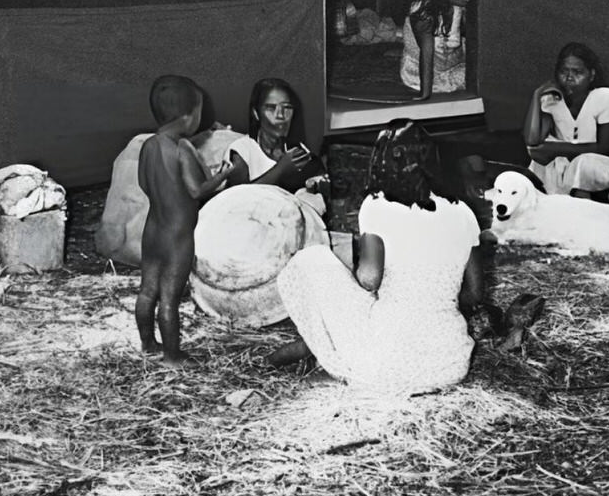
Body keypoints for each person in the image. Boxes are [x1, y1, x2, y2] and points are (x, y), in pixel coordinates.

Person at [271, 121, 486, 394]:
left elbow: (369, 280)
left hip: (388, 364)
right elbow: (476, 294)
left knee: (312, 259)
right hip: (450, 362)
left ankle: (318, 355)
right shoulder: (463, 213)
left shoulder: (377, 206)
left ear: (381, 161)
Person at [135, 74, 232, 362]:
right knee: (169, 297)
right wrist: (222, 175)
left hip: (153, 229)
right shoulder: (183, 148)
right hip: (177, 234)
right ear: (189, 116)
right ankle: (173, 355)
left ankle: (148, 344)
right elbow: (195, 190)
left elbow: (143, 183)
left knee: (147, 290)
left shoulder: (149, 145)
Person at [522, 42, 609, 200]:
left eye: (577, 72)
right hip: (572, 164)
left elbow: (606, 150)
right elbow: (533, 141)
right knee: (539, 165)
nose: (569, 77)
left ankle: (583, 213)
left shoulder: (605, 97)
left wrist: (556, 149)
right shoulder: (551, 100)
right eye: (563, 71)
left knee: (583, 163)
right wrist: (537, 96)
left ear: (591, 75)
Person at [226, 78, 328, 217]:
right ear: (256, 113)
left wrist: (315, 183)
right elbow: (237, 201)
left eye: (287, 108)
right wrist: (281, 169)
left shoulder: (295, 149)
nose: (280, 115)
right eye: (271, 108)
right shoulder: (241, 151)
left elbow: (315, 181)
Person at [400, 0, 471, 98]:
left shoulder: (459, 4)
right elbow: (427, 54)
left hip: (454, 68)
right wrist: (425, 95)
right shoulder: (423, 10)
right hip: (421, 76)